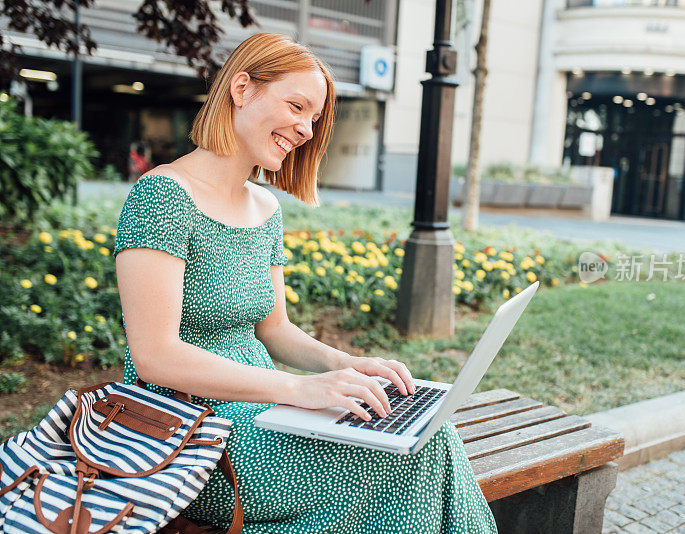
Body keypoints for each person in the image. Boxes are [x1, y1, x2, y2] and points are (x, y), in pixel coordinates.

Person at [113, 33, 497, 533]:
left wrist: (347, 365)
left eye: (313, 118)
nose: (305, 129)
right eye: (296, 106)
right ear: (243, 88)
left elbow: (274, 330)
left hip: (267, 410)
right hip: (194, 439)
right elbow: (154, 355)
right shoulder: (162, 196)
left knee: (430, 436)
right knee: (412, 459)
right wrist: (300, 389)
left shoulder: (265, 207)